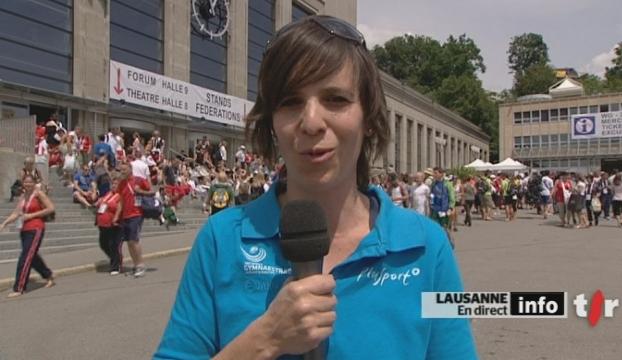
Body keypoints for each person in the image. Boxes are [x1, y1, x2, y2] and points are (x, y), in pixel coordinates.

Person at [155, 15, 476, 359]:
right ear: (273, 122)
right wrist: (264, 340)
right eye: (291, 102)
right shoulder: (221, 239)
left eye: (335, 99)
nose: (310, 122)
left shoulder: (428, 247)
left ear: (368, 118)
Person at [0, 175, 56, 298]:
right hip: (24, 229)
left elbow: (51, 208)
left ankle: (19, 288)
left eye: (30, 182)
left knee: (25, 257)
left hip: (36, 228)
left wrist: (32, 215)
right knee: (32, 256)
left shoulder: (38, 194)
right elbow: (16, 213)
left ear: (34, 183)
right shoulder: (23, 196)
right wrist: (4, 223)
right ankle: (48, 275)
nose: (27, 184)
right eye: (25, 182)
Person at [116, 162, 154, 277]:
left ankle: (140, 265)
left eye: (124, 170)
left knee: (134, 240)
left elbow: (152, 192)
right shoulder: (121, 184)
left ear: (130, 169)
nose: (122, 172)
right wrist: (117, 215)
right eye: (121, 170)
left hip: (136, 214)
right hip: (126, 215)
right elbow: (121, 201)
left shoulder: (139, 180)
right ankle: (135, 264)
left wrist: (140, 191)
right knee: (129, 242)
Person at [95, 173, 123, 275]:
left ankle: (115, 265)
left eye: (116, 184)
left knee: (113, 244)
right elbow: (103, 204)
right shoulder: (108, 194)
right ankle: (114, 259)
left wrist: (115, 216)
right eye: (112, 184)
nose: (114, 186)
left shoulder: (120, 195)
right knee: (103, 244)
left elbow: (119, 208)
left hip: (113, 224)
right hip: (103, 224)